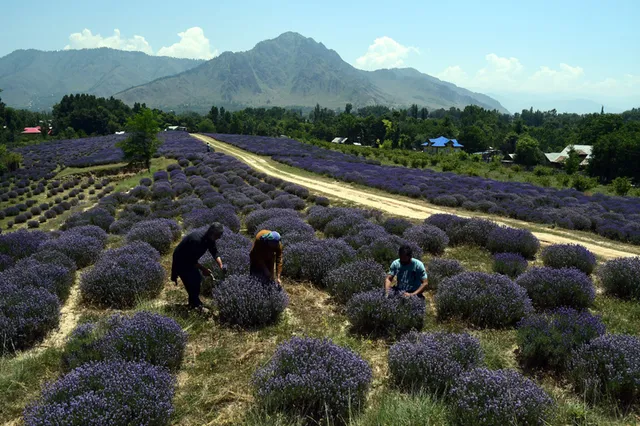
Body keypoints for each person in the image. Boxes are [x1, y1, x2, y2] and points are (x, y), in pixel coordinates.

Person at [171, 222, 226, 309]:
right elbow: (190, 260)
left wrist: (221, 265)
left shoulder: (209, 239)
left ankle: (194, 303)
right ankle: (195, 305)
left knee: (196, 279)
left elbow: (214, 252)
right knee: (192, 281)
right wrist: (204, 269)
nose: (219, 238)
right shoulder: (197, 241)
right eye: (218, 235)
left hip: (189, 259)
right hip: (181, 260)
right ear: (212, 233)